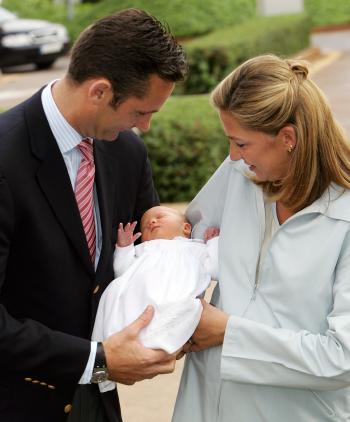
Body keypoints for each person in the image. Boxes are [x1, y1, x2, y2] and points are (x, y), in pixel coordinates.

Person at [0, 8, 187, 422]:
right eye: (141, 112)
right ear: (100, 91)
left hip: (98, 406)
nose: (147, 127)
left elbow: (146, 264)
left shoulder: (127, 153)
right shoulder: (4, 158)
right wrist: (97, 359)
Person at [172, 54, 350, 422]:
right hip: (205, 407)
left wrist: (229, 333)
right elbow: (189, 240)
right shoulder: (240, 172)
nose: (232, 156)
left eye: (241, 143)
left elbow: (342, 360)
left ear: (288, 138)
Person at [92, 206, 218, 394]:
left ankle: (152, 348)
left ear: (185, 228)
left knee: (189, 308)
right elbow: (122, 270)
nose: (151, 222)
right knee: (109, 302)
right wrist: (124, 248)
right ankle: (99, 372)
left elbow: (214, 268)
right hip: (133, 302)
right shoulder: (143, 249)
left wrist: (214, 243)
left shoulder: (194, 248)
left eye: (160, 217)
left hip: (169, 301)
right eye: (144, 225)